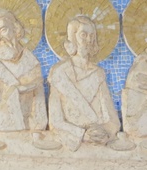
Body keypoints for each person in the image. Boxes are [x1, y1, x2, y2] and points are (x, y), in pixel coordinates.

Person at [47, 15, 120, 150]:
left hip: (98, 142)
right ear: (72, 38)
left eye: (92, 36)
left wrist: (104, 132)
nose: (89, 40)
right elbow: (55, 121)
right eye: (83, 35)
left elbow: (112, 119)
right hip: (72, 140)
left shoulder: (98, 74)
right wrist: (82, 134)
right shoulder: (59, 73)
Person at [0, 9, 47, 133]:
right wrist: (17, 90)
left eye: (3, 30)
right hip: (4, 125)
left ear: (16, 29)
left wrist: (36, 126)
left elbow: (39, 107)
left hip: (30, 128)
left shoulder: (31, 62)